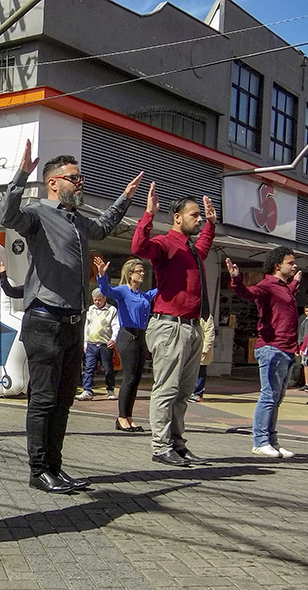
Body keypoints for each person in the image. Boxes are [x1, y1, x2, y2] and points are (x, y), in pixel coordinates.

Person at [0, 140, 143, 494]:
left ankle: (55, 466)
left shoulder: (78, 220)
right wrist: (22, 174)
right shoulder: (35, 214)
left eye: (80, 178)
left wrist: (125, 197)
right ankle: (38, 470)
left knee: (64, 400)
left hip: (72, 323)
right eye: (74, 178)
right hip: (44, 320)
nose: (80, 183)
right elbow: (7, 215)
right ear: (54, 182)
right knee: (44, 399)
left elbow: (104, 226)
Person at [131, 185, 216, 467]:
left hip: (191, 327)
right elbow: (139, 248)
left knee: (183, 391)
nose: (199, 219)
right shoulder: (166, 243)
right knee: (167, 389)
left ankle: (177, 444)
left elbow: (203, 248)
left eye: (201, 216)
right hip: (171, 327)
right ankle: (160, 445)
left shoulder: (190, 249)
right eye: (195, 215)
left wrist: (212, 226)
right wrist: (148, 215)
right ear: (178, 218)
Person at [225, 248, 301, 458]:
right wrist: (236, 279)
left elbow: (282, 304)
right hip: (271, 348)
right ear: (278, 265)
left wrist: (294, 284)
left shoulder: (284, 287)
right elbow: (246, 294)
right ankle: (260, 441)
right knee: (269, 396)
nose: (294, 266)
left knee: (276, 397)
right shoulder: (268, 284)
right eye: (290, 263)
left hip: (285, 348)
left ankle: (272, 441)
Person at [94, 256, 156, 431]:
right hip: (127, 335)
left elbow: (158, 292)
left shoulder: (142, 295)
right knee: (129, 378)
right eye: (139, 271)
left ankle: (129, 416)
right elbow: (106, 290)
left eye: (143, 271)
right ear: (130, 274)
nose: (143, 274)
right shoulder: (123, 291)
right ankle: (121, 417)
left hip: (141, 336)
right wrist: (102, 275)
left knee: (136, 379)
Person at [75, 288, 120, 402]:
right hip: (91, 344)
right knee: (88, 368)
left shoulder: (112, 310)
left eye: (99, 300)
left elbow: (116, 326)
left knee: (108, 369)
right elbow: (87, 326)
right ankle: (87, 390)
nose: (96, 302)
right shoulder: (90, 309)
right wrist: (85, 342)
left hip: (105, 344)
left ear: (104, 298)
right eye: (95, 300)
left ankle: (110, 389)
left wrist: (113, 339)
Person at [189, 316, 215, 403]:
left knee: (200, 372)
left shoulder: (206, 317)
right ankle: (189, 392)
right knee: (190, 371)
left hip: (201, 348)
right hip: (192, 348)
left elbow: (210, 333)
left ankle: (197, 393)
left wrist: (206, 349)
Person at [297, 303, 308, 392]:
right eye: (306, 311)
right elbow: (301, 333)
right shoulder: (304, 321)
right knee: (305, 364)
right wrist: (300, 345)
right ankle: (307, 383)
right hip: (305, 346)